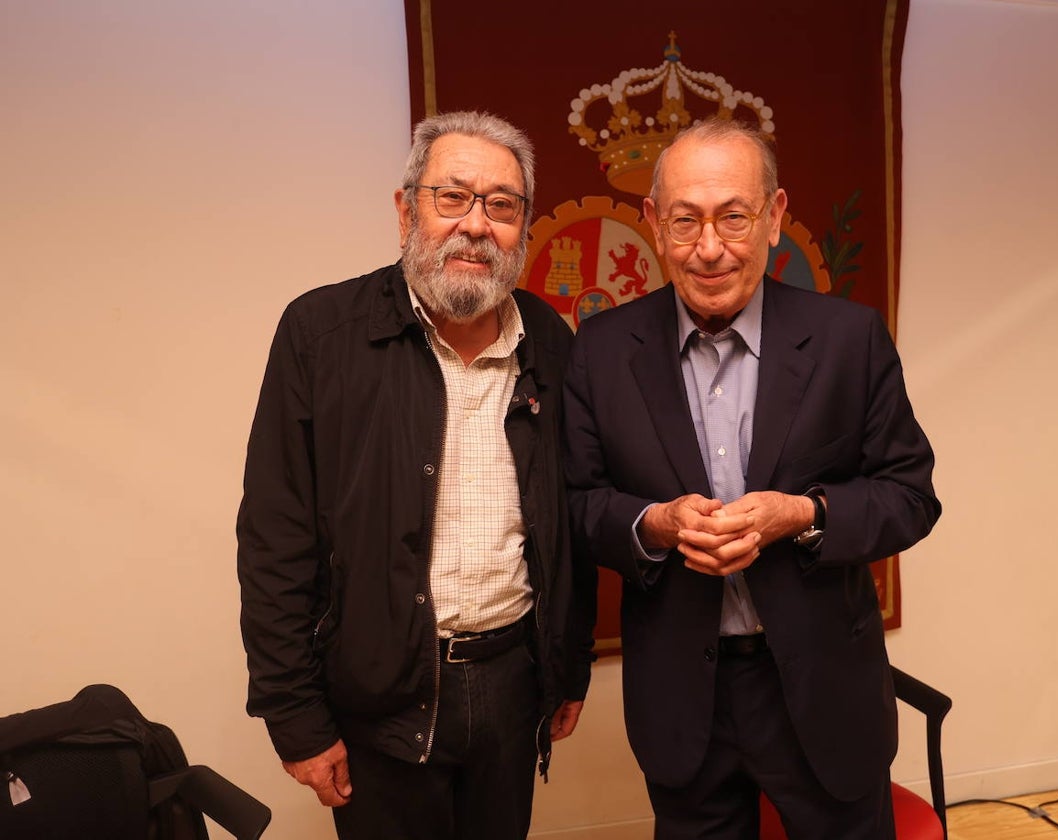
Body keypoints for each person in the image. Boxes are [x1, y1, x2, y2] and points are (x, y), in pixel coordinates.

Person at [563, 119, 940, 839]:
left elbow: (910, 496)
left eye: (734, 217)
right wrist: (656, 525)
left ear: (775, 217)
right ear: (652, 223)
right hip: (682, 699)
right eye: (685, 221)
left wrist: (803, 514)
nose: (710, 248)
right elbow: (577, 507)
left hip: (824, 689)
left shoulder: (848, 340)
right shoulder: (602, 352)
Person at [237, 111, 594, 840]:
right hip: (379, 694)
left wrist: (568, 664)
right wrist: (295, 716)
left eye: (501, 205)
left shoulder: (552, 343)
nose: (476, 225)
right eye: (452, 197)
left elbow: (572, 520)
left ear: (522, 227)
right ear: (406, 210)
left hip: (512, 683)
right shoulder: (320, 335)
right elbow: (275, 538)